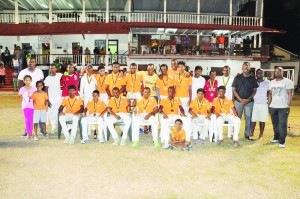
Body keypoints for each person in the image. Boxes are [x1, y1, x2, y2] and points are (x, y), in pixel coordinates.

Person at [268, 67, 294, 148]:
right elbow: (270, 94)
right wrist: (268, 104)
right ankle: (276, 138)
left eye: (279, 71)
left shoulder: (287, 82)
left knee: (282, 124)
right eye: (276, 71)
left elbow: (290, 94)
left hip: (283, 107)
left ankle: (282, 141)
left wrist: (288, 104)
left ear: (282, 72)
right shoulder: (271, 82)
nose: (277, 73)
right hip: (273, 106)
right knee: (275, 124)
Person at [232, 62, 258, 140]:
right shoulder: (237, 77)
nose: (246, 68)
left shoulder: (253, 78)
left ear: (249, 68)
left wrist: (248, 99)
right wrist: (240, 100)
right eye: (244, 66)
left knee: (248, 118)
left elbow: (254, 90)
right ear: (242, 68)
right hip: (238, 102)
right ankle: (235, 134)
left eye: (248, 66)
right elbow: (233, 89)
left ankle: (247, 135)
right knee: (237, 118)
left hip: (249, 102)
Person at [250, 69, 270, 140]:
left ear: (263, 74)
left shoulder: (268, 82)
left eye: (261, 73)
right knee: (253, 120)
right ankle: (251, 134)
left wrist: (269, 102)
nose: (259, 74)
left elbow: (270, 93)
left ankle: (261, 134)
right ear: (256, 74)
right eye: (258, 73)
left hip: (263, 103)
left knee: (262, 120)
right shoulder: (252, 82)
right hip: (254, 103)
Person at [44, 64, 63, 134]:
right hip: (51, 99)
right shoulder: (47, 78)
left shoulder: (60, 75)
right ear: (50, 69)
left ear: (56, 69)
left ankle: (61, 127)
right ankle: (53, 126)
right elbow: (46, 90)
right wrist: (47, 100)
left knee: (60, 112)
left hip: (59, 98)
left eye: (53, 68)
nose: (52, 69)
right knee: (52, 113)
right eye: (51, 68)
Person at [18, 75, 37, 140]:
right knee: (26, 119)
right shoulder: (22, 89)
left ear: (31, 81)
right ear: (24, 81)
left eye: (29, 80)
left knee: (31, 119)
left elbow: (36, 98)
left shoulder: (34, 89)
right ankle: (28, 134)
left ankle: (31, 133)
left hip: (32, 106)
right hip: (25, 106)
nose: (27, 81)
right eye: (26, 80)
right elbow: (20, 96)